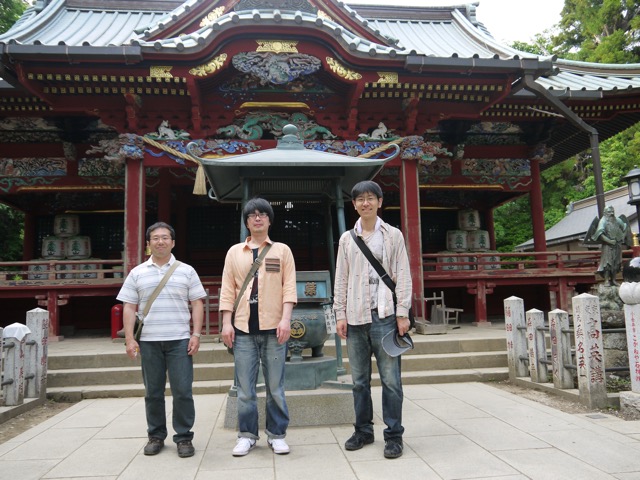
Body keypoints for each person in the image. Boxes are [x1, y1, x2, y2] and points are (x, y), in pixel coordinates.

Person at [333, 180, 412, 459]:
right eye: (360, 199)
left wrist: (403, 312)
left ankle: (393, 435)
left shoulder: (393, 235)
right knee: (359, 381)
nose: (365, 203)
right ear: (353, 204)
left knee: (391, 380)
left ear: (379, 201)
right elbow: (340, 278)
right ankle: (363, 431)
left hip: (385, 317)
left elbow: (402, 274)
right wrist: (339, 314)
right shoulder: (346, 239)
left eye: (370, 198)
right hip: (355, 318)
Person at [117, 222, 206, 458]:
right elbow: (129, 306)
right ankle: (155, 436)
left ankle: (184, 437)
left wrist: (196, 334)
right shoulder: (137, 273)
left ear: (173, 242)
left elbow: (197, 303)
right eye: (155, 238)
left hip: (179, 340)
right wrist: (129, 339)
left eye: (165, 237)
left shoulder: (187, 270)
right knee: (153, 392)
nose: (160, 241)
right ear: (148, 244)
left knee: (183, 391)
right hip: (148, 341)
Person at [220, 197, 297, 457]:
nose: (257, 218)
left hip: (274, 328)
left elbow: (289, 287)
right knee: (245, 388)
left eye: (262, 214)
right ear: (246, 222)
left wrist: (286, 319)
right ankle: (247, 435)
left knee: (275, 386)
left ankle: (277, 435)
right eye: (252, 215)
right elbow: (227, 289)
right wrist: (226, 323)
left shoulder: (282, 251)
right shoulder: (234, 252)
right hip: (242, 330)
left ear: (269, 220)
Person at [590, 206, 631, 286]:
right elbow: (600, 233)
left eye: (612, 211)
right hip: (608, 246)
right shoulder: (603, 221)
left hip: (617, 244)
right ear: (605, 213)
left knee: (616, 262)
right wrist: (609, 241)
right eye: (609, 212)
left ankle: (614, 279)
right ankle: (606, 280)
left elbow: (625, 227)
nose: (611, 213)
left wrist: (623, 236)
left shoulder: (617, 220)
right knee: (607, 263)